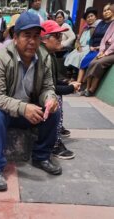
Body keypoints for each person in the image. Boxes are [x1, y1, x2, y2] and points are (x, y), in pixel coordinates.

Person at [0, 12, 61, 192]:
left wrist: (49, 98)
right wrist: (22, 107)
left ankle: (41, 156)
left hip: (28, 109)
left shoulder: (44, 58)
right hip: (4, 110)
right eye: (27, 36)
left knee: (54, 110)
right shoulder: (2, 58)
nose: (32, 41)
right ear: (15, 37)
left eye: (36, 36)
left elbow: (47, 87)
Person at [40, 20, 80, 159]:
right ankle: (54, 143)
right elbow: (48, 88)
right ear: (44, 39)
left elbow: (51, 81)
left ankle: (57, 132)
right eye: (56, 36)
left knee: (57, 97)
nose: (60, 38)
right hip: (31, 98)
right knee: (55, 99)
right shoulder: (43, 56)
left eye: (60, 35)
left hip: (41, 92)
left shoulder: (50, 54)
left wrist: (66, 83)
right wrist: (69, 88)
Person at [82, 4, 114, 97]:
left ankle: (92, 89)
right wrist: (101, 51)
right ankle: (87, 88)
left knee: (99, 63)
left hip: (112, 52)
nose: (108, 11)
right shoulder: (111, 24)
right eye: (106, 10)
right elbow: (104, 39)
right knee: (92, 62)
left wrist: (106, 53)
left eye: (110, 10)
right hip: (104, 50)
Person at [64, 7, 98, 80]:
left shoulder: (96, 29)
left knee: (79, 56)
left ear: (95, 17)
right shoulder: (84, 29)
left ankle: (74, 77)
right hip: (80, 48)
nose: (89, 18)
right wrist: (78, 46)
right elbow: (78, 39)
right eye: (88, 17)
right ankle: (69, 76)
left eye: (91, 16)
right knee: (71, 55)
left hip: (89, 48)